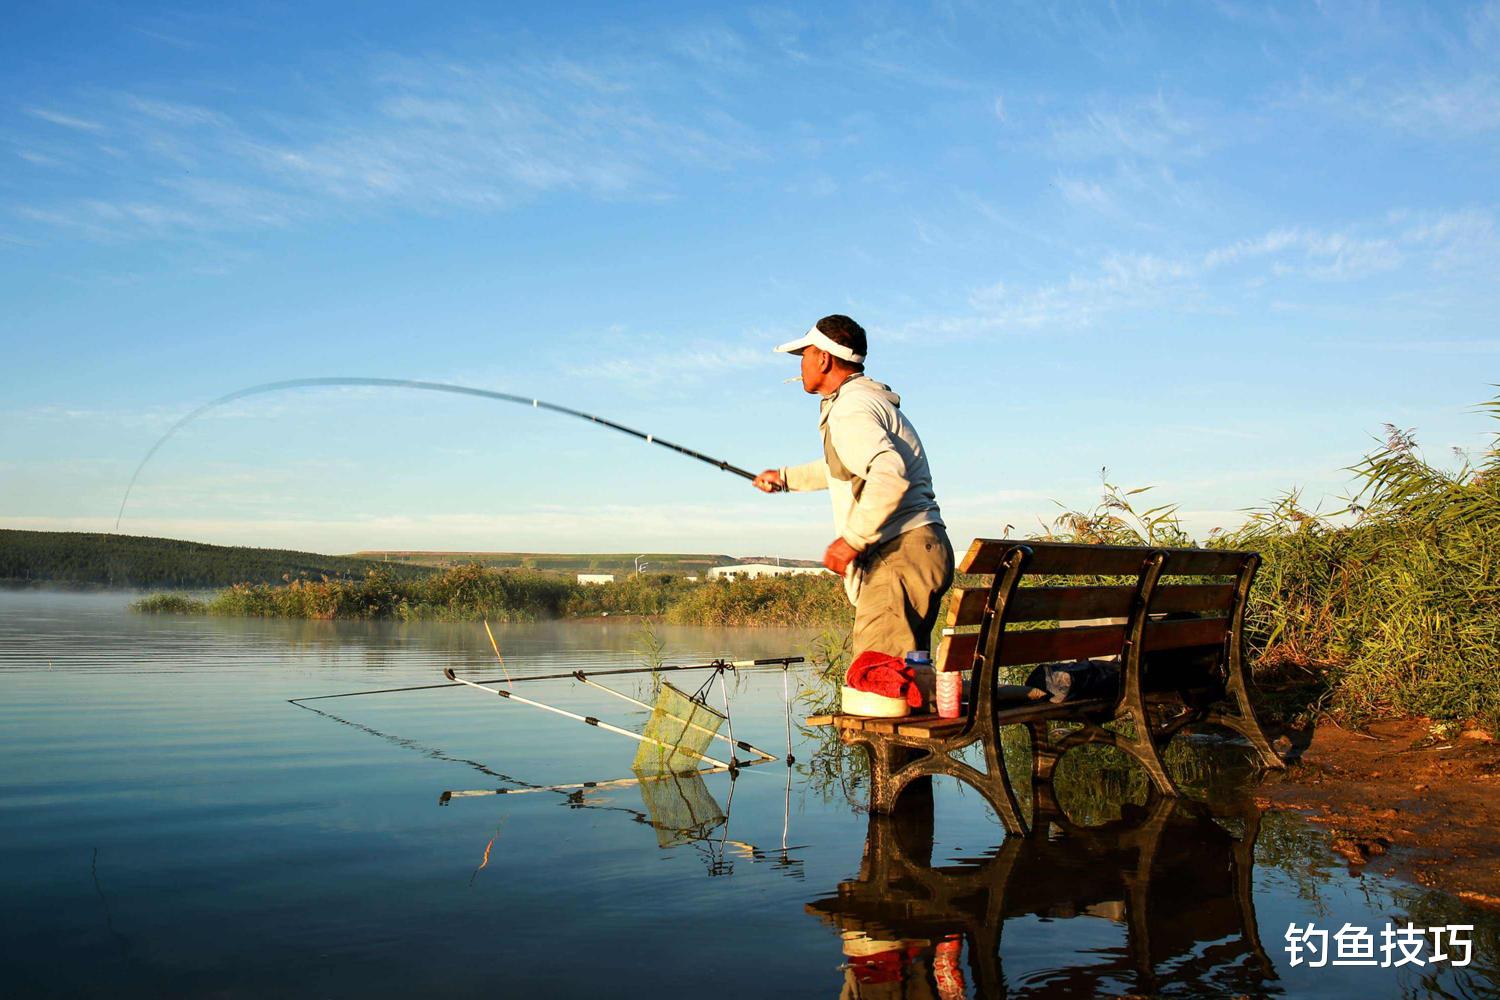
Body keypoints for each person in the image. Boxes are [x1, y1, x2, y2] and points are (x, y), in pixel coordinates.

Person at [753, 315, 954, 659]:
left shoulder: (850, 407)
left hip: (898, 553)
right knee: (905, 678)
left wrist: (852, 540)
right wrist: (786, 478)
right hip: (920, 550)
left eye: (804, 354)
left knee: (877, 682)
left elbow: (889, 472)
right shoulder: (865, 400)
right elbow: (848, 467)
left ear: (823, 358)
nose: (801, 364)